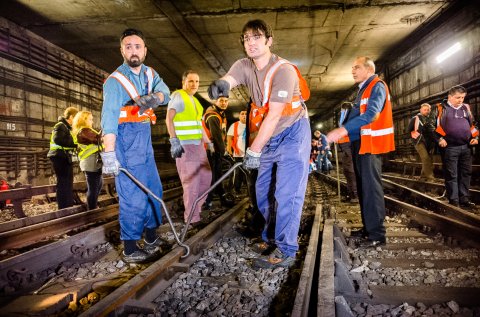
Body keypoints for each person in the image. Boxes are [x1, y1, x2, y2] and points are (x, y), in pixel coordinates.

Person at [208, 19, 311, 268]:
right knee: (263, 190)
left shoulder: (284, 71)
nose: (251, 42)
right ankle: (270, 237)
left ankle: (286, 249)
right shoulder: (245, 65)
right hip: (270, 136)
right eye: (246, 38)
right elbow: (231, 78)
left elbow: (274, 115)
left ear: (269, 41)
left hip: (293, 134)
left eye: (256, 37)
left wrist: (253, 150)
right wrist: (221, 85)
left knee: (286, 193)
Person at [101, 28, 170, 263]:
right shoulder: (115, 82)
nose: (133, 51)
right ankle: (130, 248)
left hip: (144, 141)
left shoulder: (150, 75)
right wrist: (108, 153)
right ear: (121, 50)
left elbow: (166, 92)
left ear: (145, 50)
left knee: (153, 190)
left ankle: (151, 237)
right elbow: (108, 119)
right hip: (126, 142)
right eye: (128, 47)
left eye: (137, 46)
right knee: (133, 196)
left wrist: (156, 98)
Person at [326, 56, 395, 248]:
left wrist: (341, 130)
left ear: (368, 69)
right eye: (352, 67)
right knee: (364, 188)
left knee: (371, 189)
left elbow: (371, 114)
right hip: (360, 144)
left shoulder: (377, 86)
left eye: (356, 67)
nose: (352, 71)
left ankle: (377, 235)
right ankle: (368, 228)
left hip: (370, 146)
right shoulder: (363, 89)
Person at [165, 70, 212, 225]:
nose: (194, 84)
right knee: (191, 183)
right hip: (185, 146)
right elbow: (169, 119)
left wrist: (209, 142)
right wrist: (174, 140)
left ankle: (195, 210)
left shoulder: (195, 101)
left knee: (206, 178)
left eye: (197, 81)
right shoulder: (179, 96)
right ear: (183, 82)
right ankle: (192, 219)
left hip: (198, 146)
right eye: (191, 81)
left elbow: (199, 125)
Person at [434, 85, 478, 208]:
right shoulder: (440, 108)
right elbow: (432, 127)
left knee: (466, 173)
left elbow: (473, 125)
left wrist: (475, 138)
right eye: (457, 97)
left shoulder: (466, 108)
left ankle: (464, 199)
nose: (461, 100)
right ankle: (454, 201)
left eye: (463, 97)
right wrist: (440, 139)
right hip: (450, 148)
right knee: (452, 174)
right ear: (450, 97)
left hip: (466, 147)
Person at [203, 96, 235, 208]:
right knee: (212, 177)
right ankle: (207, 202)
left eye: (226, 101)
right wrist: (224, 151)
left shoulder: (220, 114)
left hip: (214, 150)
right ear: (214, 101)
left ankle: (220, 197)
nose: (224, 103)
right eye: (221, 101)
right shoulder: (212, 116)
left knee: (217, 175)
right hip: (210, 150)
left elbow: (221, 135)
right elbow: (216, 136)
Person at [47, 106, 79, 210]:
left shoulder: (67, 128)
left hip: (65, 157)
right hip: (58, 157)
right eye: (76, 118)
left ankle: (68, 206)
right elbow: (57, 140)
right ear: (71, 117)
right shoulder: (60, 125)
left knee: (68, 182)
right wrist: (74, 144)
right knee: (62, 183)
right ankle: (63, 208)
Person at [72, 111, 103, 210]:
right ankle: (92, 210)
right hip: (90, 162)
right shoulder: (84, 131)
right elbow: (98, 139)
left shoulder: (87, 130)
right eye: (90, 119)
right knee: (93, 188)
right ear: (83, 120)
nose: (92, 121)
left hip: (93, 162)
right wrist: (105, 127)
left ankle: (93, 207)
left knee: (98, 185)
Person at [407, 103, 436, 181]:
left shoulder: (430, 119)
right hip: (419, 141)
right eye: (425, 110)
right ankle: (430, 177)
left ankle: (423, 176)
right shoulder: (415, 118)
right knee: (426, 158)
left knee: (428, 159)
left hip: (428, 142)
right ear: (420, 110)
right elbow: (408, 130)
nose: (426, 111)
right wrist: (414, 138)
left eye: (428, 110)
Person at [337, 102, 358, 202]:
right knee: (347, 172)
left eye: (342, 110)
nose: (341, 112)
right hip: (346, 149)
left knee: (350, 172)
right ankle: (351, 194)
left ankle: (355, 195)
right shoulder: (345, 120)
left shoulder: (349, 119)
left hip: (349, 149)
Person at [227, 110, 247, 193]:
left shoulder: (251, 124)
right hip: (238, 153)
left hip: (249, 153)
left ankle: (247, 188)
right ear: (239, 116)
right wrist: (229, 148)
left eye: (246, 114)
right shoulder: (234, 125)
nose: (244, 115)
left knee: (248, 172)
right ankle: (236, 188)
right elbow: (229, 137)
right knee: (237, 172)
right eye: (242, 114)